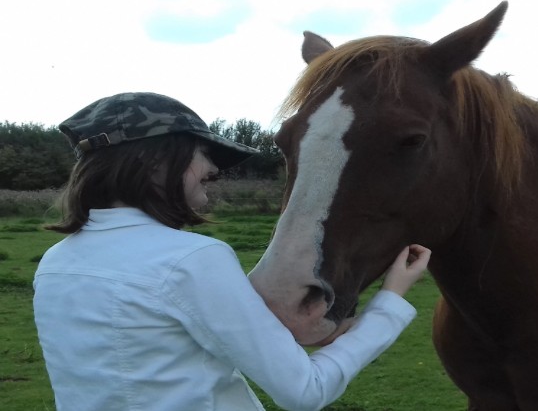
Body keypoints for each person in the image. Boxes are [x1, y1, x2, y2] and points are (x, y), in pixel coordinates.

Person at [33, 92, 431, 411]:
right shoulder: (190, 259)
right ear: (154, 160)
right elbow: (305, 391)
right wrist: (390, 302)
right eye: (202, 153)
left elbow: (160, 352)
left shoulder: (56, 262)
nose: (213, 168)